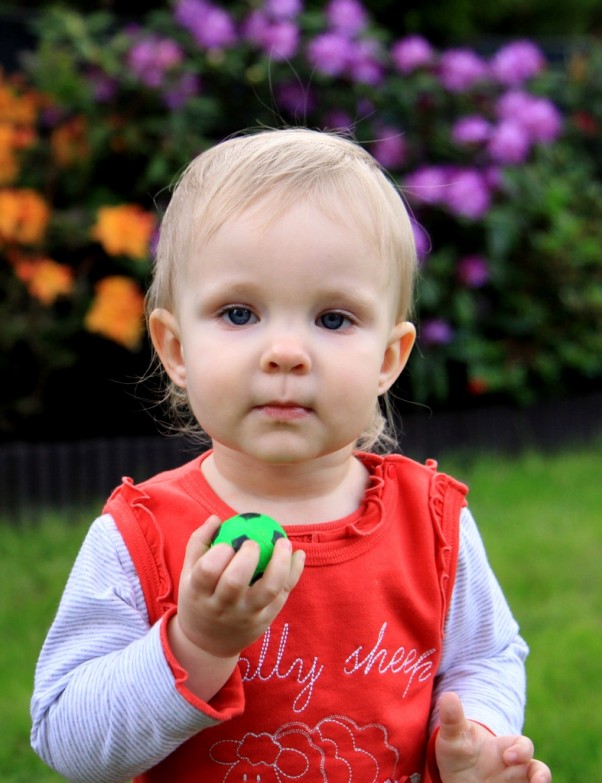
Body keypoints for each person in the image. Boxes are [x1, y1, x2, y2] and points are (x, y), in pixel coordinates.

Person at [31, 127, 552, 783]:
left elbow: (487, 655)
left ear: (390, 358)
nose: (286, 351)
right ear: (176, 347)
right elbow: (64, 737)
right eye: (240, 312)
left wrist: (478, 734)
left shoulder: (434, 525)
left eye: (333, 318)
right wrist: (195, 645)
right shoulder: (138, 537)